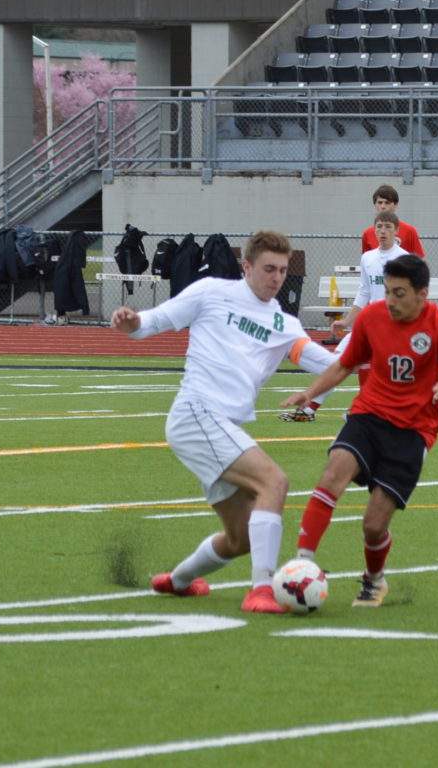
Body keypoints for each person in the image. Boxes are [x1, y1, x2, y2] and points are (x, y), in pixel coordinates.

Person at [112, 230, 338, 614]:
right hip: (196, 413)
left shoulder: (285, 326)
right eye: (269, 268)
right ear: (246, 267)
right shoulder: (211, 292)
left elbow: (333, 366)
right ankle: (261, 591)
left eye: (283, 270)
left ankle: (177, 581)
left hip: (217, 428)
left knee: (240, 539)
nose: (277, 277)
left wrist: (373, 353)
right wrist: (130, 321)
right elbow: (153, 321)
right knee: (274, 481)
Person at [281, 254, 438, 606]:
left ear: (422, 294)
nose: (391, 301)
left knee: (373, 525)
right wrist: (310, 393)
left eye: (400, 293)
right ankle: (302, 564)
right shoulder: (371, 317)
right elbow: (344, 365)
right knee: (332, 475)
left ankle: (374, 579)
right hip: (368, 416)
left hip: (413, 430)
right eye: (387, 292)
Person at [281, 211, 408, 423]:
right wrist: (347, 321)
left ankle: (364, 412)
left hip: (392, 325)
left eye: (388, 227)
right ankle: (310, 410)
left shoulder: (404, 259)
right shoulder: (368, 258)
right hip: (370, 323)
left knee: (369, 367)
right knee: (337, 362)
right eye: (379, 226)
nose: (383, 231)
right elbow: (364, 291)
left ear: (396, 231)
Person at [361, 184, 424, 257]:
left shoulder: (409, 231)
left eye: (387, 203)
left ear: (396, 204)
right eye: (380, 202)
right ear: (375, 204)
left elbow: (419, 259)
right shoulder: (367, 234)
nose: (383, 206)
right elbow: (367, 259)